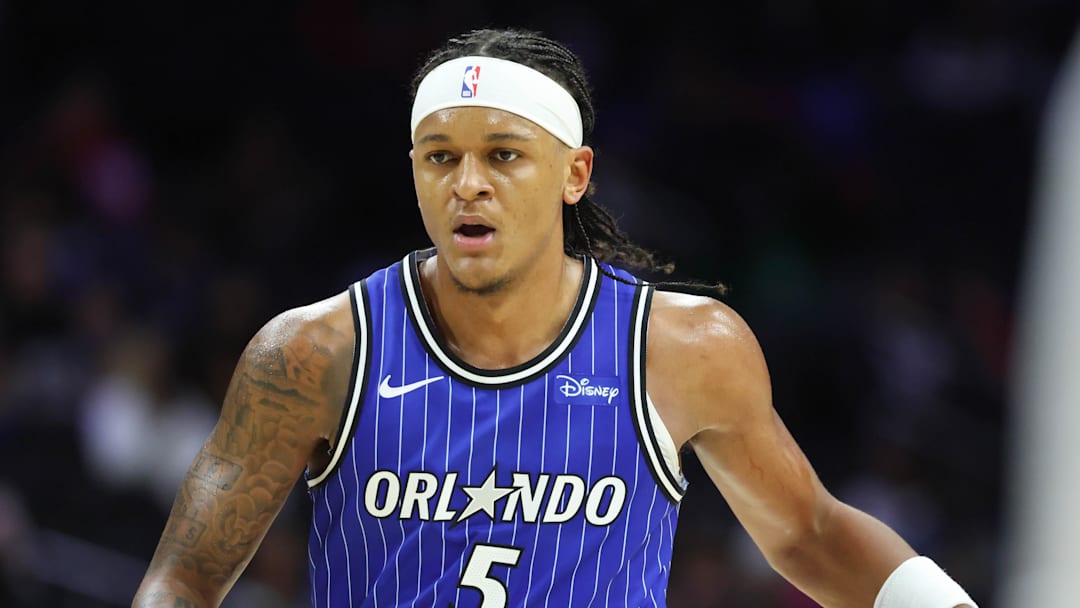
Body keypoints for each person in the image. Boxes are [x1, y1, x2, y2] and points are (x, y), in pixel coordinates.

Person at [132, 27, 978, 608]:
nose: (469, 183)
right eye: (441, 158)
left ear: (574, 175)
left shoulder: (681, 350)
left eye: (503, 155)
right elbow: (185, 578)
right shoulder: (314, 352)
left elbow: (812, 534)